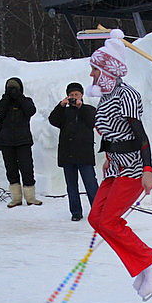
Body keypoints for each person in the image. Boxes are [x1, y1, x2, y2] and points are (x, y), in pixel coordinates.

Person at [86, 29, 152, 301]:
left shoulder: (127, 95)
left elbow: (140, 135)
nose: (91, 75)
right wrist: (109, 155)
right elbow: (112, 132)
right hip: (115, 166)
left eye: (94, 70)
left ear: (107, 70)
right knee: (96, 219)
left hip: (134, 167)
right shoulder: (105, 96)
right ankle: (144, 267)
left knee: (109, 220)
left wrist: (147, 170)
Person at [48, 82, 99, 221]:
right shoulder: (64, 112)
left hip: (84, 154)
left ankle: (98, 212)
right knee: (71, 186)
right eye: (71, 95)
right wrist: (61, 105)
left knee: (91, 184)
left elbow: (93, 121)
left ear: (82, 95)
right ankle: (76, 212)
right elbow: (52, 120)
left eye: (76, 95)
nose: (74, 97)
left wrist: (80, 107)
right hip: (68, 154)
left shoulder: (88, 109)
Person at [0, 77, 42, 207]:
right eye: (10, 88)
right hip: (6, 142)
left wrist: (19, 97)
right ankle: (16, 198)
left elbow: (31, 110)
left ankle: (30, 198)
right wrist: (6, 98)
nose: (12, 90)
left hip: (23, 141)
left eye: (15, 88)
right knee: (11, 170)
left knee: (27, 169)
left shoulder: (26, 101)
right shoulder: (5, 102)